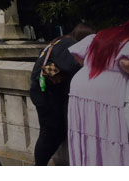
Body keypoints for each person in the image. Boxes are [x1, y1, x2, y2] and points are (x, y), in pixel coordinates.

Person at [67, 5, 129, 166]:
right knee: (111, 136)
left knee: (88, 134)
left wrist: (96, 67)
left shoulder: (105, 35)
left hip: (81, 87)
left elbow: (78, 55)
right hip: (108, 93)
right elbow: (126, 62)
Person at [31, 23, 94, 166]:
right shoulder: (69, 45)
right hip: (46, 94)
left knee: (54, 131)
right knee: (49, 132)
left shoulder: (59, 40)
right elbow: (74, 67)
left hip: (42, 89)